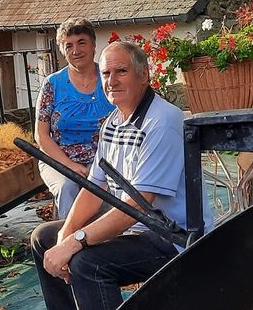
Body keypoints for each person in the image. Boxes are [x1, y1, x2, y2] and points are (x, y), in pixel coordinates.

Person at [32, 40, 205, 310]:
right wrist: (66, 233)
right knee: (44, 238)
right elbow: (93, 187)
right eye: (106, 73)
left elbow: (137, 204)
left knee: (87, 263)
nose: (111, 81)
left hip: (173, 238)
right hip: (137, 228)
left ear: (144, 75)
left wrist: (76, 242)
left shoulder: (163, 121)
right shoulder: (114, 121)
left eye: (121, 71)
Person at [36, 18, 115, 219]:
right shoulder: (52, 84)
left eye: (81, 42)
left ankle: (112, 242)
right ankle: (68, 243)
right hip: (61, 159)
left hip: (106, 158)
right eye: (68, 45)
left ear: (93, 45)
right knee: (67, 187)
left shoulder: (110, 78)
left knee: (114, 191)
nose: (76, 50)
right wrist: (69, 166)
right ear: (63, 50)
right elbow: (41, 135)